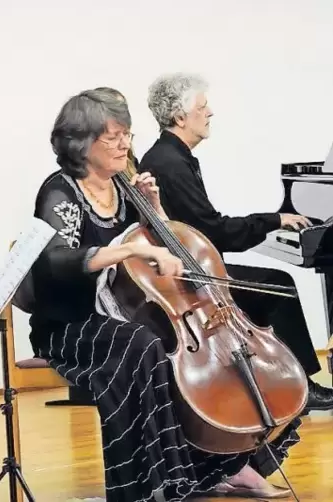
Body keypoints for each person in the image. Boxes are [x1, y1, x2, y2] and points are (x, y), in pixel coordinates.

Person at [26, 88, 299, 500]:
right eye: (113, 137)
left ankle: (223, 466)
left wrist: (155, 209)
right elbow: (56, 261)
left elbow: (173, 246)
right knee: (143, 346)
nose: (125, 145)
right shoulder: (60, 192)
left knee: (170, 342)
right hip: (71, 323)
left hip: (123, 314)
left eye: (128, 134)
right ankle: (144, 485)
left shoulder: (124, 184)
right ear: (81, 143)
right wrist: (131, 248)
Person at [138, 72, 333, 412]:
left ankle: (273, 379)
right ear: (180, 117)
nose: (210, 112)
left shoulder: (170, 156)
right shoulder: (170, 163)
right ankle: (300, 388)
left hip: (192, 265)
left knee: (272, 284)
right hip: (190, 278)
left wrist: (269, 222)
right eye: (203, 106)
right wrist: (273, 221)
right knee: (278, 286)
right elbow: (214, 231)